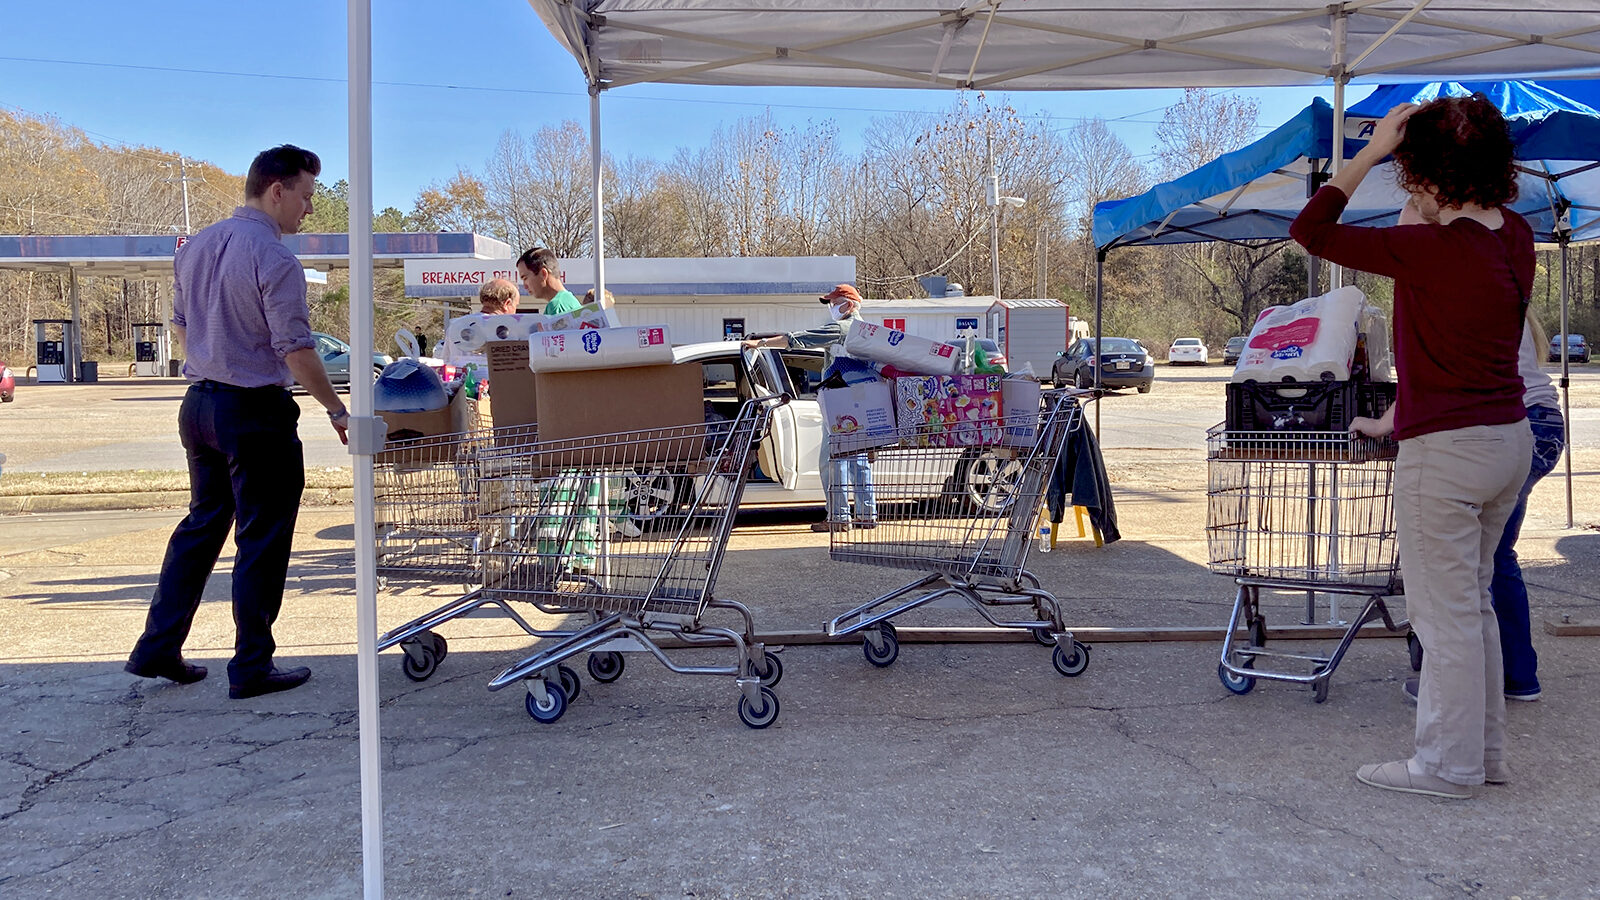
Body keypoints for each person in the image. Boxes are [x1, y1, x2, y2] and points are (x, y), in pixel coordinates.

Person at [1293, 96, 1533, 799]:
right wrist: (1421, 183)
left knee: (1444, 617)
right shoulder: (1513, 236)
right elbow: (1428, 226)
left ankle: (1446, 767)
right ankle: (1482, 756)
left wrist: (1369, 154)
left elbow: (1311, 228)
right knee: (1475, 605)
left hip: (1447, 451)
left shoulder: (1429, 251)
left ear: (1427, 175)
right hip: (1506, 440)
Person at [125, 145, 347, 700]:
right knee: (262, 538)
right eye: (306, 196)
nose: (309, 209)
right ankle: (251, 665)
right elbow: (296, 349)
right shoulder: (275, 259)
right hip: (253, 410)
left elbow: (179, 327)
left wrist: (212, 357)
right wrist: (337, 409)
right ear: (277, 190)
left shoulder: (195, 247)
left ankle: (157, 646)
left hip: (199, 404)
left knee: (201, 527)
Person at [1400, 305, 1566, 704]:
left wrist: (1379, 423)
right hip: (1540, 423)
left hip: (1513, 421)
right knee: (1493, 557)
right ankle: (1515, 675)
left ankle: (1474, 682)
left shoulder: (1463, 301)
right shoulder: (1509, 298)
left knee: (1471, 563)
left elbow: (1436, 382)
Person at [745, 284, 876, 532]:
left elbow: (799, 339)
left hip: (839, 404)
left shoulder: (841, 328)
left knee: (832, 459)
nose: (830, 308)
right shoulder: (866, 331)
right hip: (864, 401)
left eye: (833, 302)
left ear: (848, 305)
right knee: (859, 460)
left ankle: (838, 517)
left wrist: (760, 343)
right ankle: (867, 514)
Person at [515, 247, 581, 316]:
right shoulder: (570, 301)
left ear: (543, 274)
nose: (525, 286)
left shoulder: (556, 306)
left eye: (525, 278)